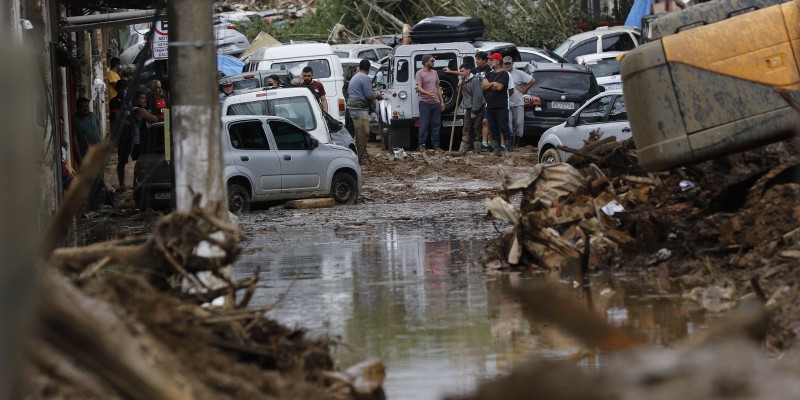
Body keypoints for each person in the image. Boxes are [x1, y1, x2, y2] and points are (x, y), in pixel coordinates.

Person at [347, 59, 384, 163]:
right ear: (368, 68)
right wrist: (378, 95)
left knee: (360, 133)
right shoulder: (365, 78)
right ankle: (360, 157)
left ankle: (362, 154)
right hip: (358, 108)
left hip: (353, 107)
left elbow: (351, 91)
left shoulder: (355, 76)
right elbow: (369, 95)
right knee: (364, 133)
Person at [481, 53, 512, 156]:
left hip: (501, 106)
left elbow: (500, 87)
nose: (490, 61)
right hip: (490, 106)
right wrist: (493, 84)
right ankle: (496, 148)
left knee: (503, 127)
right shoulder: (489, 74)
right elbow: (483, 86)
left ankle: (507, 147)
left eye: (492, 60)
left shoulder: (504, 74)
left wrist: (489, 85)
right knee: (493, 128)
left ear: (498, 61)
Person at [503, 56, 535, 150]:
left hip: (518, 101)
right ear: (503, 64)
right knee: (508, 123)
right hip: (506, 102)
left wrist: (524, 89)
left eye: (509, 63)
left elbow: (532, 80)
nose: (508, 65)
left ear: (512, 64)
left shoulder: (519, 73)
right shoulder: (501, 74)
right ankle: (509, 143)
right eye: (506, 63)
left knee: (519, 123)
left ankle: (517, 143)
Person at [415, 54, 444, 152]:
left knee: (436, 124)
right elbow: (418, 87)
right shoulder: (419, 73)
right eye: (432, 61)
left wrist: (442, 102)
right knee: (424, 124)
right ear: (426, 62)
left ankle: (436, 145)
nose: (433, 62)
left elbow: (438, 87)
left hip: (435, 103)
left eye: (433, 61)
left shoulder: (435, 72)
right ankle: (422, 145)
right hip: (425, 103)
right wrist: (427, 93)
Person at [454, 62, 484, 155]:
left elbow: (477, 96)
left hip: (478, 107)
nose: (461, 73)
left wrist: (474, 111)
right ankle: (462, 150)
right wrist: (459, 84)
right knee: (466, 129)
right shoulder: (463, 80)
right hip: (468, 107)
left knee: (477, 128)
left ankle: (477, 150)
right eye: (460, 71)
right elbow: (458, 92)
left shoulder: (475, 80)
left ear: (468, 70)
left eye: (462, 71)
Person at [471, 52, 493, 152]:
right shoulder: (474, 71)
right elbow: (464, 73)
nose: (477, 61)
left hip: (488, 99)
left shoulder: (490, 70)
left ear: (485, 60)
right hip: (477, 100)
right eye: (476, 59)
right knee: (479, 123)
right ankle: (482, 144)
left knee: (487, 121)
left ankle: (491, 143)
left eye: (479, 59)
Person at [71, 97, 102, 166]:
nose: (86, 109)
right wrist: (79, 159)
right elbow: (74, 140)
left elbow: (98, 129)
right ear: (78, 108)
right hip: (85, 156)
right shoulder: (75, 120)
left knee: (99, 175)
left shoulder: (93, 116)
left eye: (87, 106)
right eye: (82, 107)